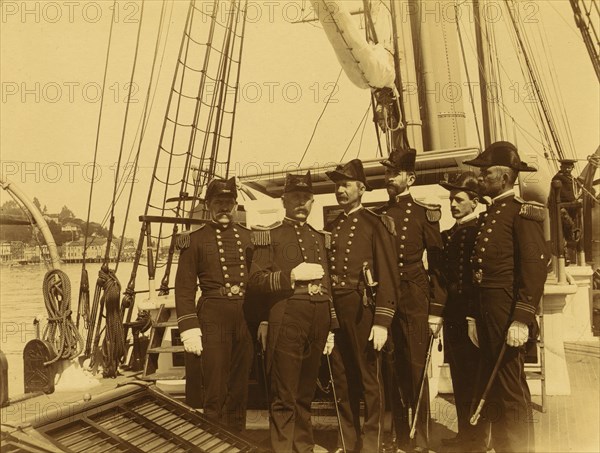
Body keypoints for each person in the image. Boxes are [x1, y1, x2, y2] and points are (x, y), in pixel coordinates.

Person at [464, 141, 548, 453]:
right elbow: (478, 272)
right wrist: (474, 316)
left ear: (504, 178)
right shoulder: (490, 214)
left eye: (486, 173)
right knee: (495, 386)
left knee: (511, 388)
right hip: (488, 312)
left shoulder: (521, 214)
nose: (481, 178)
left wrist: (522, 319)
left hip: (507, 311)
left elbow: (534, 268)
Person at [247, 171, 338, 453]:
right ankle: (283, 448)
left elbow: (328, 285)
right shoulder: (269, 235)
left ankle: (304, 446)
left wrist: (331, 326)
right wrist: (291, 276)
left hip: (318, 319)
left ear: (312, 203)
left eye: (306, 199)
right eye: (296, 197)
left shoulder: (319, 237)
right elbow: (256, 281)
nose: (301, 203)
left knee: (305, 392)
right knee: (284, 392)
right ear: (284, 201)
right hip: (287, 317)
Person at [375, 147, 447, 453]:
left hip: (416, 297)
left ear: (411, 177)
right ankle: (399, 436)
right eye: (388, 173)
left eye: (395, 173)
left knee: (417, 366)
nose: (390, 178)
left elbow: (438, 265)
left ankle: (421, 440)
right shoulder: (379, 216)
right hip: (387, 298)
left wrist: (436, 310)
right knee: (391, 368)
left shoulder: (424, 214)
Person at [325, 159, 399, 453]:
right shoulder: (332, 226)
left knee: (369, 380)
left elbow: (389, 273)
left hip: (363, 310)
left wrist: (382, 320)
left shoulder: (375, 223)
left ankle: (371, 444)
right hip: (337, 310)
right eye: (337, 185)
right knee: (341, 379)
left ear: (362, 188)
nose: (340, 190)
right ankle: (348, 441)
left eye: (345, 184)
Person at [174, 176, 254, 432]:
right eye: (218, 202)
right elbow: (185, 288)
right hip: (213, 315)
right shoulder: (195, 239)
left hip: (245, 315)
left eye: (228, 202)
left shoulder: (249, 237)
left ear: (235, 205)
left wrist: (262, 319)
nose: (224, 207)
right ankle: (214, 441)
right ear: (208, 205)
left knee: (240, 384)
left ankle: (238, 439)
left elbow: (260, 280)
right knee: (215, 385)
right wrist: (189, 327)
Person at [438, 172, 485, 451]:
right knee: (458, 377)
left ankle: (478, 439)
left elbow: (475, 281)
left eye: (459, 199)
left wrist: (472, 317)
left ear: (474, 203)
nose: (453, 204)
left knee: (474, 376)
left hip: (471, 317)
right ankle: (465, 433)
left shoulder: (479, 231)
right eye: (451, 200)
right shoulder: (449, 234)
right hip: (452, 316)